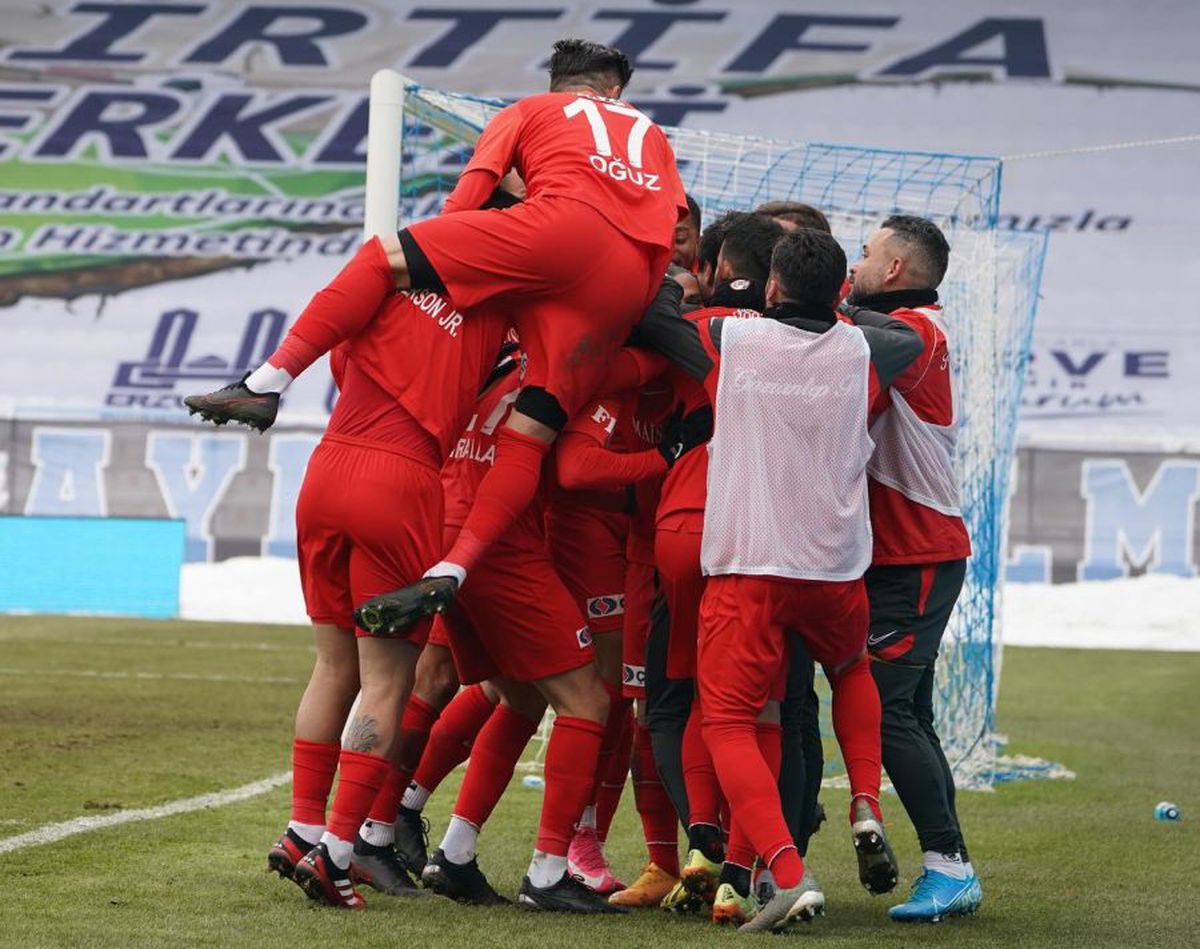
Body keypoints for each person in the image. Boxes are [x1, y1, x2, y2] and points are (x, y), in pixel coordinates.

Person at [638, 229, 924, 932]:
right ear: (839, 291)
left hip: (748, 565)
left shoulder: (728, 339)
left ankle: (786, 871)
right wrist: (844, 310)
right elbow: (907, 338)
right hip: (833, 568)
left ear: (769, 289)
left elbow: (648, 316)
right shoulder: (867, 346)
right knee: (852, 670)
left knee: (729, 720)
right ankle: (865, 802)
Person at [260, 280, 510, 910]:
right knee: (388, 681)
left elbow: (341, 357)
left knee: (332, 665)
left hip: (326, 467)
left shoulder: (384, 288)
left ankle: (302, 829)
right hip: (400, 481)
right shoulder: (502, 304)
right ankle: (339, 851)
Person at [845, 214, 982, 923]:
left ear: (894, 270)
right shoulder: (913, 328)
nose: (855, 264)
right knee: (909, 713)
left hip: (918, 554)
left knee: (886, 710)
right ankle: (949, 864)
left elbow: (847, 337)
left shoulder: (915, 333)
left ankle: (950, 864)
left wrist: (799, 306)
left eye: (864, 255)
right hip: (901, 554)